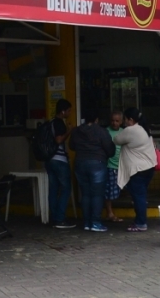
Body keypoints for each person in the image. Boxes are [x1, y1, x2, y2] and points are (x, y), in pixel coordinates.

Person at [69, 107, 115, 232]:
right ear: (96, 119)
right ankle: (95, 223)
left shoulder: (76, 131)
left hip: (80, 163)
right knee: (97, 195)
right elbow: (110, 150)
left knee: (86, 194)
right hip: (97, 164)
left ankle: (87, 223)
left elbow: (71, 146)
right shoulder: (101, 131)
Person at [114, 107, 158, 232]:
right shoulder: (144, 128)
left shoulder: (131, 130)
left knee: (138, 197)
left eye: (125, 120)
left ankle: (141, 223)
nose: (124, 122)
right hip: (149, 168)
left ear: (130, 120)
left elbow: (116, 140)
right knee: (141, 196)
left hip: (138, 170)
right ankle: (140, 220)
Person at [45, 98, 74, 229]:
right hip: (59, 160)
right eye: (68, 111)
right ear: (63, 111)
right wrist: (69, 130)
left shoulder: (50, 122)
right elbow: (59, 140)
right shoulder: (59, 123)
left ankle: (54, 217)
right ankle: (60, 218)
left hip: (49, 159)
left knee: (53, 189)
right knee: (66, 188)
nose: (69, 113)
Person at [104, 111, 125, 223]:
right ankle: (109, 212)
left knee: (118, 189)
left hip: (121, 165)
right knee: (109, 190)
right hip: (110, 165)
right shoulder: (106, 132)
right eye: (112, 120)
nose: (114, 123)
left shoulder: (124, 132)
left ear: (121, 122)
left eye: (117, 121)